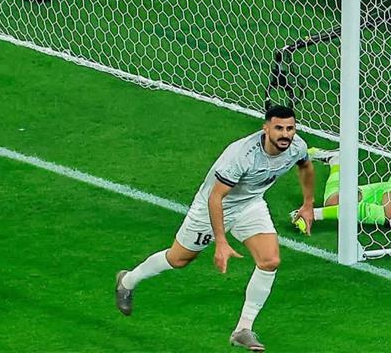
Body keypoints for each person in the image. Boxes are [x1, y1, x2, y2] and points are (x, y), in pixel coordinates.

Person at [116, 105, 315, 351]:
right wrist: (221, 242)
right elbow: (216, 197)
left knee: (270, 261)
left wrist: (308, 205)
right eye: (279, 128)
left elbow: (305, 167)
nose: (285, 134)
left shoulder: (297, 146)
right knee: (179, 259)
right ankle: (127, 281)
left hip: (250, 204)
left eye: (290, 128)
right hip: (213, 207)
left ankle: (243, 329)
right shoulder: (241, 156)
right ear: (266, 129)